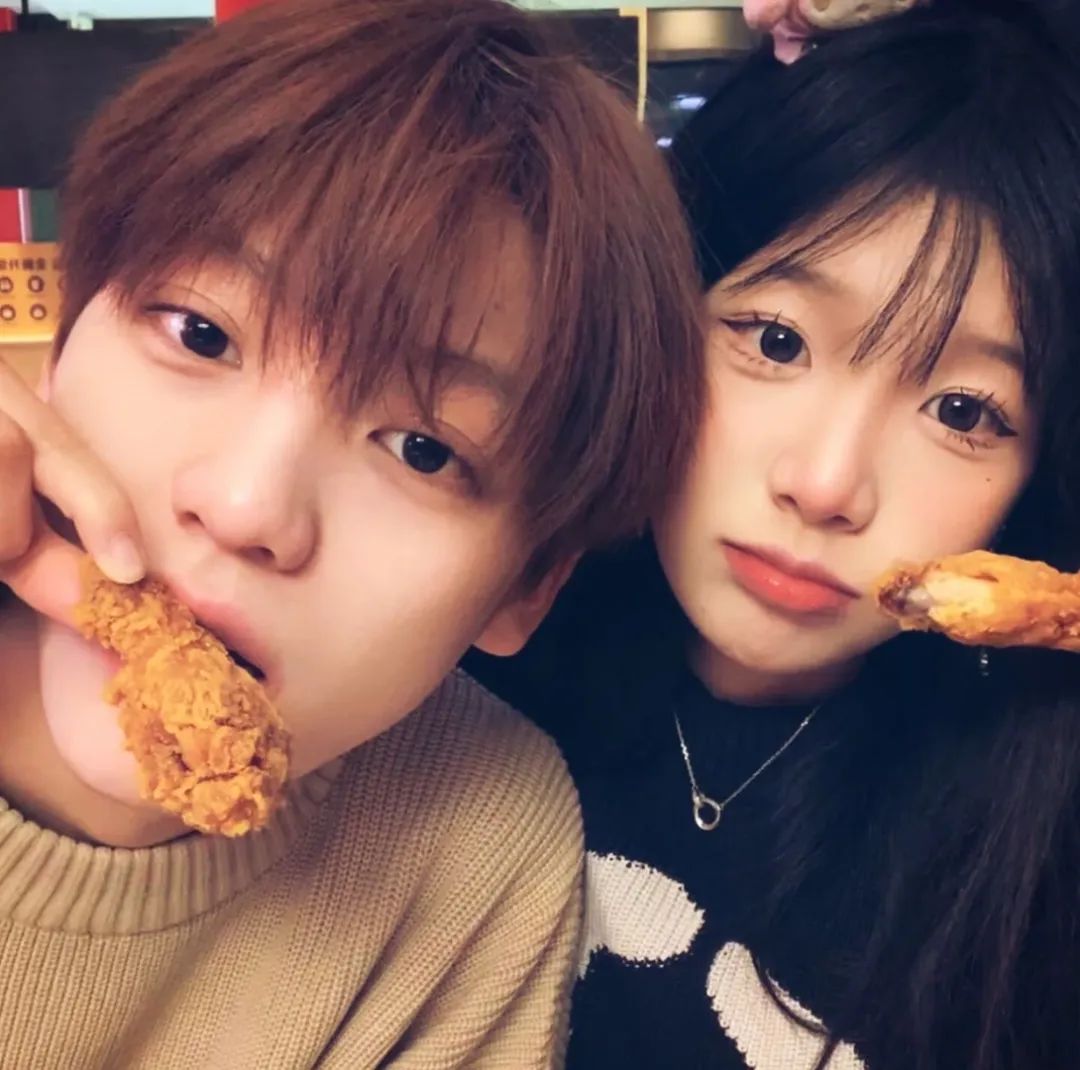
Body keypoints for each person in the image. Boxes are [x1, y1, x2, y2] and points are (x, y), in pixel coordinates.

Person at [0, 0, 704, 1066]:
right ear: (60, 347)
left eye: (423, 449)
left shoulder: (475, 850)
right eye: (201, 332)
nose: (245, 505)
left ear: (528, 586)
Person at [466, 1, 1080, 1066]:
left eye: (964, 410)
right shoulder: (456, 651)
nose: (826, 484)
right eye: (778, 340)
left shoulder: (1036, 860)